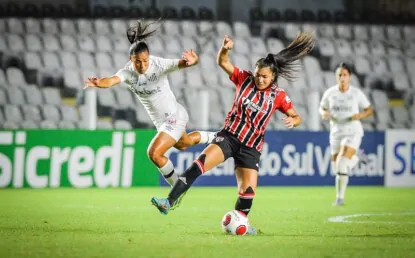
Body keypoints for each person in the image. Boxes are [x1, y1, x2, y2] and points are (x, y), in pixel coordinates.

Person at [151, 32, 315, 235]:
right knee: (197, 166)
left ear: (273, 77)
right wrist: (225, 49)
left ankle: (241, 225)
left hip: (251, 147)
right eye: (257, 75)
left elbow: (296, 115)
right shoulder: (244, 78)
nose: (260, 79)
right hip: (229, 137)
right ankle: (169, 202)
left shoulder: (279, 95)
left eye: (264, 76)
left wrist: (294, 120)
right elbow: (222, 62)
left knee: (247, 192)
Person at [83, 20, 216, 187]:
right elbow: (112, 80)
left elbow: (185, 63)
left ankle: (178, 189)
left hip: (174, 116)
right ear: (130, 59)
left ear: (149, 57)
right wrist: (99, 83)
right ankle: (216, 136)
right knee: (184, 144)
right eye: (137, 61)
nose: (142, 65)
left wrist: (194, 60)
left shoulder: (158, 65)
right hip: (161, 122)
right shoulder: (128, 72)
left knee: (154, 153)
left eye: (145, 60)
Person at [319, 62, 373, 206]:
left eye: (345, 75)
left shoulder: (356, 93)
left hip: (352, 130)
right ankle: (356, 157)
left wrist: (360, 116)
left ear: (349, 77)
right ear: (336, 77)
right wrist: (324, 113)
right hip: (336, 131)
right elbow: (322, 108)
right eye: (339, 75)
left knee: (342, 162)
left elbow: (369, 109)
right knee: (336, 167)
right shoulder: (330, 93)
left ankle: (339, 199)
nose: (342, 78)